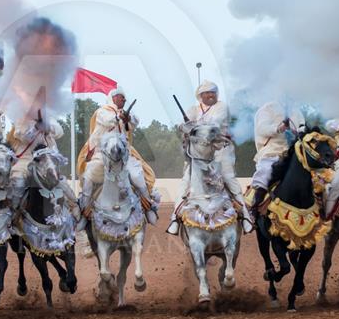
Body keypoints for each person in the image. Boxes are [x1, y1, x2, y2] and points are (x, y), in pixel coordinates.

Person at [167, 81, 243, 234]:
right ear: (200, 96)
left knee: (228, 178)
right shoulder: (193, 109)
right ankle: (175, 217)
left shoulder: (221, 107)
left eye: (213, 92)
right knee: (186, 182)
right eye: (207, 93)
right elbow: (180, 125)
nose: (210, 95)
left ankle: (246, 215)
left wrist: (193, 126)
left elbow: (213, 124)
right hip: (198, 155)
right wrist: (185, 126)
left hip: (220, 152)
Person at [78, 87, 157, 223]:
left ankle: (149, 207)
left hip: (124, 156)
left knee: (137, 175)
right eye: (122, 97)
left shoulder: (124, 114)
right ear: (113, 98)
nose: (124, 99)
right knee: (89, 175)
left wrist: (127, 117)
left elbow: (134, 122)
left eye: (125, 98)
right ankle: (83, 213)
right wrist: (118, 117)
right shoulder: (102, 112)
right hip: (101, 155)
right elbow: (108, 120)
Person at [246, 101, 305, 215]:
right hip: (273, 150)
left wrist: (299, 131)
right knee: (266, 171)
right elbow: (261, 128)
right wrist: (279, 128)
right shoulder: (267, 108)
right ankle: (254, 209)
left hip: (295, 151)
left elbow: (303, 127)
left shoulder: (296, 110)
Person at [8, 107, 64, 204]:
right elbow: (23, 136)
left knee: (63, 184)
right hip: (26, 159)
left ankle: (75, 209)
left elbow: (60, 132)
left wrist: (48, 127)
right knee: (19, 180)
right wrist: (36, 128)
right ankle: (14, 210)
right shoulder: (21, 118)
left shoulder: (48, 117)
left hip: (47, 160)